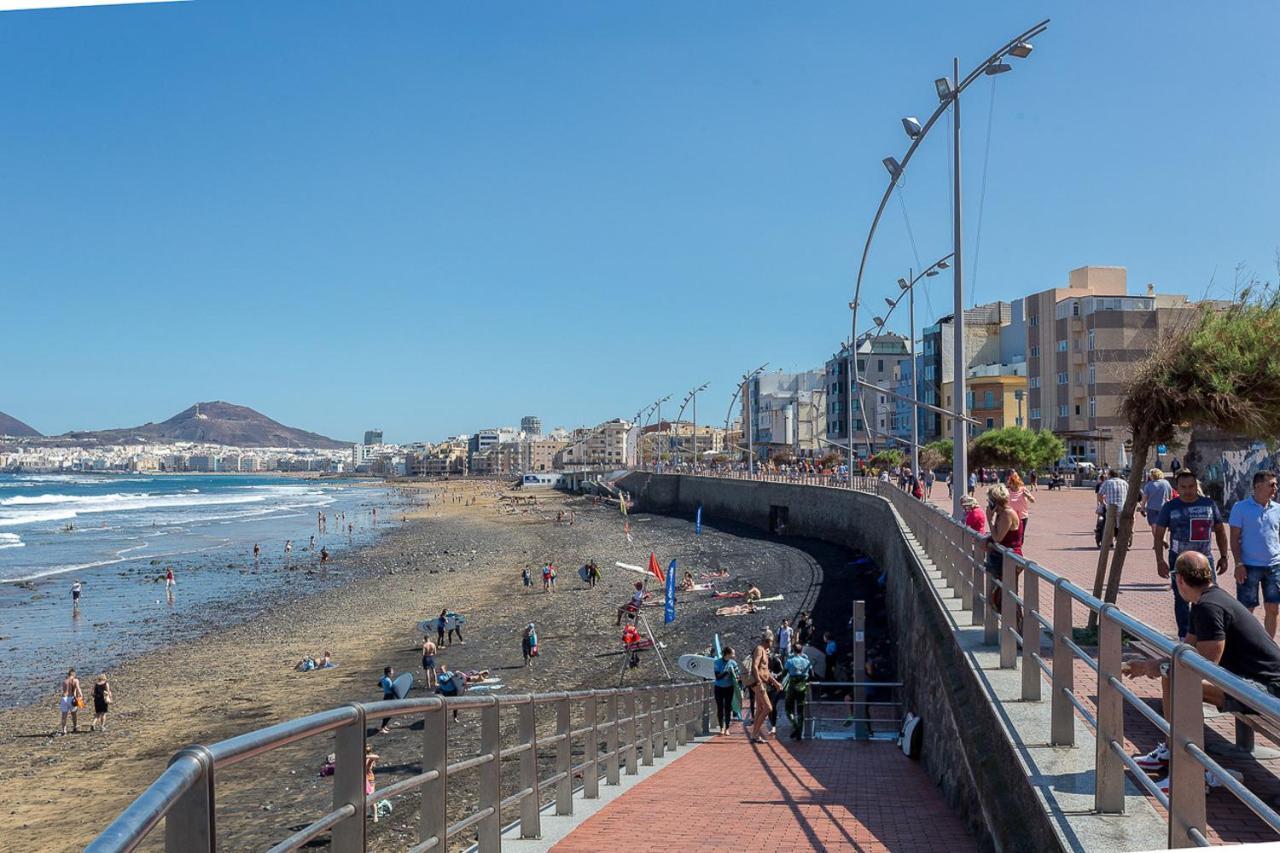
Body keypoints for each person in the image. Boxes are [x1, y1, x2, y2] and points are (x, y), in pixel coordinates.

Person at [1127, 551, 1280, 792]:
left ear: (1179, 579)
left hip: (1265, 690)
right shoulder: (1205, 601)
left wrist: (1157, 666)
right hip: (1248, 683)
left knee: (1179, 683)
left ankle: (1194, 772)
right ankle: (1174, 751)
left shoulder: (1209, 607)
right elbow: (1186, 650)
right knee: (1172, 676)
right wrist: (1154, 664)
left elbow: (1206, 665)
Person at [1153, 470, 1229, 640]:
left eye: (1191, 486)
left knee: (1209, 596)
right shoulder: (1170, 507)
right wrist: (1160, 561)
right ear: (1177, 488)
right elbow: (1159, 535)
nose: (1188, 490)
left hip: (1204, 559)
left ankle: (1211, 634)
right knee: (1181, 598)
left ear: (1197, 486)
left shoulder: (1209, 505)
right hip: (1179, 560)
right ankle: (1184, 636)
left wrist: (1224, 556)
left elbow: (1220, 531)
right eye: (1183, 487)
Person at [1230, 471, 1280, 639]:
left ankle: (1268, 647)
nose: (1275, 488)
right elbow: (1235, 538)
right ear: (1258, 486)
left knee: (1273, 608)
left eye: (1276, 484)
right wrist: (1238, 564)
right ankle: (1246, 646)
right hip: (1249, 566)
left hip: (1274, 566)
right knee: (1246, 611)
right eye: (1271, 484)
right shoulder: (1240, 508)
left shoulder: (1277, 509)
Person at [985, 483, 1023, 615]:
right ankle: (1012, 627)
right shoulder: (1001, 514)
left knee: (1006, 595)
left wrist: (989, 520)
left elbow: (998, 538)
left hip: (1011, 559)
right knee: (999, 596)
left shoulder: (1007, 513)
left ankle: (1018, 629)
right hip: (1004, 557)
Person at [748, 636, 782, 743]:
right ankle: (755, 734)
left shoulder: (764, 651)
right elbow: (754, 666)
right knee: (768, 708)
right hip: (759, 683)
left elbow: (766, 672)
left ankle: (755, 735)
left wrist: (775, 683)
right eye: (772, 641)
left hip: (762, 683)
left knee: (760, 709)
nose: (773, 643)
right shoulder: (759, 649)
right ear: (767, 641)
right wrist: (759, 683)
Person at [783, 643, 815, 740]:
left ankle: (795, 726)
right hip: (803, 687)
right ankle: (799, 733)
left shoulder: (790, 661)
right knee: (800, 711)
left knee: (788, 709)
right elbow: (812, 675)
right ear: (802, 651)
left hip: (792, 687)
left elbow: (784, 673)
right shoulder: (806, 661)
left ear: (793, 650)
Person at [1139, 468, 1173, 557]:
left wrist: (1142, 508)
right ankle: (1164, 539)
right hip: (1164, 506)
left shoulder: (1148, 485)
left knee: (1154, 525)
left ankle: (1157, 542)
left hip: (1152, 507)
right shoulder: (1166, 483)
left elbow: (1145, 498)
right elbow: (1170, 495)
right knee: (1163, 525)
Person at [1096, 469, 1131, 549]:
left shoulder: (1107, 483)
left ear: (1110, 475)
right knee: (1120, 525)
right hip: (1122, 507)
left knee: (1110, 525)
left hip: (1111, 507)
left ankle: (1111, 542)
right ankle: (1122, 542)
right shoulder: (1124, 483)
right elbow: (1129, 494)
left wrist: (1103, 503)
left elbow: (1100, 494)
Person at [712, 647, 740, 734]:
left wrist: (738, 678)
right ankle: (721, 727)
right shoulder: (717, 662)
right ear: (727, 654)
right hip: (719, 688)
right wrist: (727, 672)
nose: (734, 655)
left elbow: (738, 675)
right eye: (733, 653)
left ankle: (727, 728)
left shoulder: (733, 663)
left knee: (728, 708)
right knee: (720, 708)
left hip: (729, 688)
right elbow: (717, 676)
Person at [1006, 472, 1036, 537]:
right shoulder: (1007, 491)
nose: (1013, 485)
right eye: (1011, 483)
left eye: (1014, 483)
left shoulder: (1023, 490)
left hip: (1022, 516)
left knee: (1020, 535)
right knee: (1011, 535)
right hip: (1011, 517)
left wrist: (1028, 496)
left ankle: (1019, 546)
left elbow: (1033, 500)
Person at [59, 668, 82, 735]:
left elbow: (64, 691)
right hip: (71, 698)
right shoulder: (75, 680)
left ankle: (64, 730)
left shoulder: (64, 681)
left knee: (64, 715)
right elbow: (78, 688)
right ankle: (74, 727)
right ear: (73, 674)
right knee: (73, 714)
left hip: (64, 698)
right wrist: (81, 696)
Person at [363, 744, 381, 821]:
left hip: (369, 780)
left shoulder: (370, 758)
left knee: (371, 797)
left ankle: (375, 815)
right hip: (362, 780)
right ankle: (369, 813)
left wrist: (367, 756)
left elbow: (377, 757)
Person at [377, 667, 395, 734]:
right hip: (389, 697)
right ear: (388, 673)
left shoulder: (382, 678)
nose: (393, 673)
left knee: (388, 713)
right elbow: (393, 690)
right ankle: (382, 728)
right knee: (389, 713)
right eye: (391, 672)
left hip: (386, 696)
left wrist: (385, 688)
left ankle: (384, 726)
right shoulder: (388, 680)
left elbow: (379, 685)